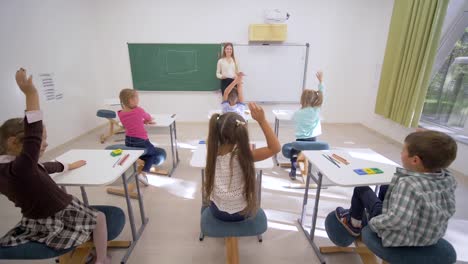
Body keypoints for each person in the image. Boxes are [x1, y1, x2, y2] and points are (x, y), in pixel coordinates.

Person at [0, 68, 111, 264]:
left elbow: (45, 167)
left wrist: (67, 165)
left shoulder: (10, 168)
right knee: (100, 218)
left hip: (35, 219)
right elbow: (33, 130)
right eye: (40, 141)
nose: (44, 144)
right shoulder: (22, 168)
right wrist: (31, 94)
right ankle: (102, 260)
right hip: (59, 213)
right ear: (13, 143)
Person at [335, 130, 457, 247]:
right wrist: (424, 138)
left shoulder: (409, 184)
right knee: (386, 186)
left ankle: (354, 223)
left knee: (361, 189)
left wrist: (373, 223)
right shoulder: (447, 177)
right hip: (429, 235)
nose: (400, 153)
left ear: (415, 160)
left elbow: (397, 221)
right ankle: (371, 213)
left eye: (403, 150)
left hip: (399, 237)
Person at [204, 103, 281, 221]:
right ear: (242, 134)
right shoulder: (244, 155)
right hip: (242, 213)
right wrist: (262, 121)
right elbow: (275, 148)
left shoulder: (211, 150)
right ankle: (232, 234)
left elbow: (212, 139)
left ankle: (229, 234)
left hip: (217, 212)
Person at [118, 89, 167, 186]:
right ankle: (143, 173)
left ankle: (139, 161)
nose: (138, 99)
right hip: (141, 142)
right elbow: (148, 117)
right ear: (131, 100)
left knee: (145, 153)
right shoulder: (139, 110)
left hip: (128, 141)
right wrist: (147, 120)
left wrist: (141, 122)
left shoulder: (120, 113)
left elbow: (129, 123)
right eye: (136, 97)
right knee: (152, 154)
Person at [289, 71, 325, 180]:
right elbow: (322, 94)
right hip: (313, 141)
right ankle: (309, 169)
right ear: (315, 100)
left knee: (293, 153)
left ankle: (293, 171)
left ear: (302, 99)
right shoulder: (316, 111)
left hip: (300, 140)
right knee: (309, 154)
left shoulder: (297, 113)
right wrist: (321, 82)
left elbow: (293, 119)